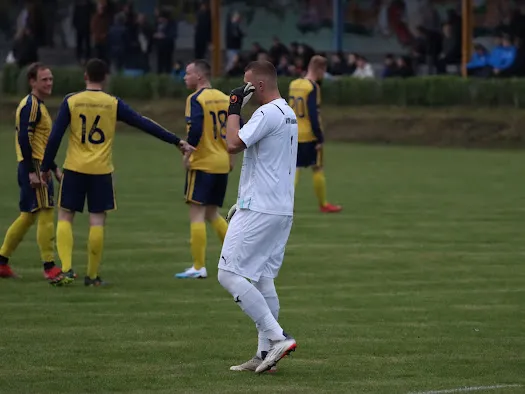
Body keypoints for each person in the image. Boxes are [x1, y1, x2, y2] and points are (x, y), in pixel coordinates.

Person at [40, 58, 194, 286]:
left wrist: (45, 167)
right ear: (105, 78)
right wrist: (175, 141)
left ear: (85, 76)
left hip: (74, 168)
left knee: (65, 216)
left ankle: (67, 270)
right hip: (101, 171)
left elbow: (54, 137)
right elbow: (143, 123)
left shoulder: (71, 101)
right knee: (97, 221)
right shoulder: (112, 103)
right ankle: (92, 277)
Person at [218, 60, 298, 374]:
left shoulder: (266, 112)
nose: (245, 89)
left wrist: (233, 107)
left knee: (228, 273)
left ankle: (278, 338)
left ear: (259, 86)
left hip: (261, 208)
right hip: (279, 208)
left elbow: (232, 144)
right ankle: (266, 353)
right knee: (263, 278)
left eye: (247, 85)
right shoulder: (288, 112)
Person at [0, 63, 68, 285]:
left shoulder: (39, 105)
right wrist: (32, 171)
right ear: (32, 81)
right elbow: (24, 139)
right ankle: (49, 267)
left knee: (28, 216)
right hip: (34, 166)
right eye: (44, 79)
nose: (49, 83)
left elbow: (42, 143)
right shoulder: (30, 105)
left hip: (38, 164)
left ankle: (1, 262)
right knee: (46, 211)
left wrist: (55, 167)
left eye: (50, 79)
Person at [175, 60, 231, 279]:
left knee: (196, 214)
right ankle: (238, 259)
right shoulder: (226, 99)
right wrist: (231, 155)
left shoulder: (195, 99)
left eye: (187, 73)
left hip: (203, 162)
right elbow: (238, 127)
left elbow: (196, 128)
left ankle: (198, 267)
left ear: (199, 76)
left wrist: (188, 153)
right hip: (221, 163)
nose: (184, 77)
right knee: (212, 213)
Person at [288, 55, 342, 213]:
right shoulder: (313, 87)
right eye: (323, 71)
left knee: (294, 169)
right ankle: (323, 204)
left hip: (292, 133)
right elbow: (312, 112)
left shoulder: (294, 84)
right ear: (320, 69)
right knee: (317, 168)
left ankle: (282, 203)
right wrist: (319, 136)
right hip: (308, 134)